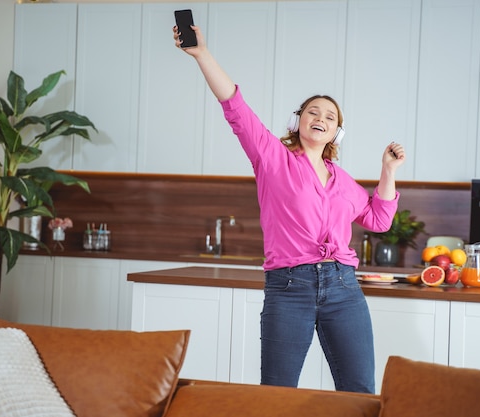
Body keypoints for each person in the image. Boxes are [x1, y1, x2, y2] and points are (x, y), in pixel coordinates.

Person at [173, 24, 405, 394]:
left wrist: (388, 171)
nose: (322, 118)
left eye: (331, 117)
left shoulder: (342, 180)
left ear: (336, 133)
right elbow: (235, 107)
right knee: (276, 392)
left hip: (344, 287)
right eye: (314, 112)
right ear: (299, 121)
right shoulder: (272, 158)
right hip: (289, 286)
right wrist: (202, 54)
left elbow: (378, 219)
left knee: (359, 390)